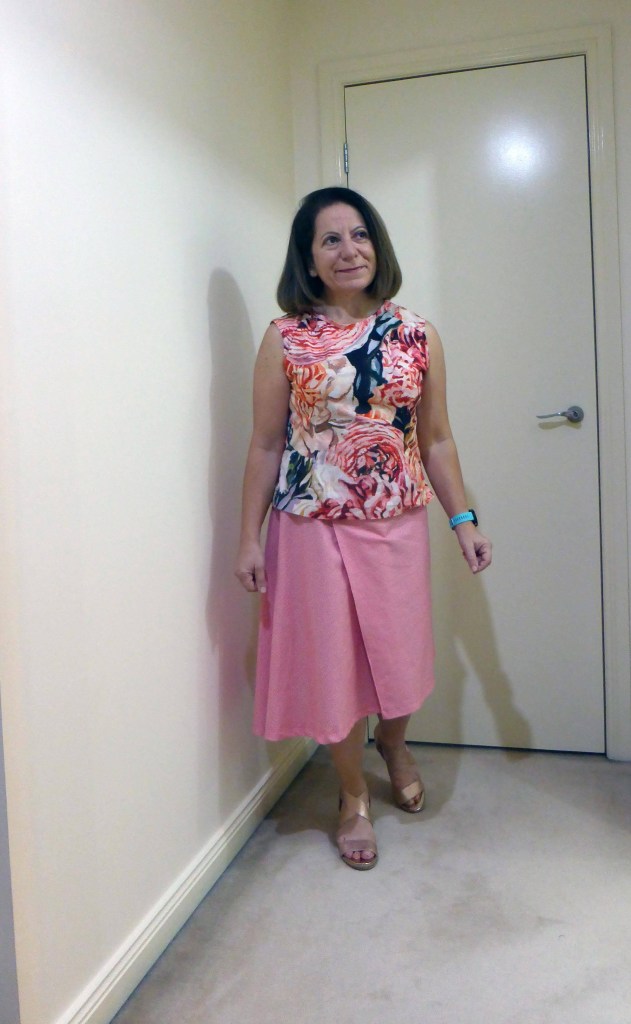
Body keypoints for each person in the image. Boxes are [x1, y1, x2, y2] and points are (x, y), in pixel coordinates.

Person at [235, 186, 491, 871]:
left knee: (398, 653)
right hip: (309, 526)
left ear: (377, 246)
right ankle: (351, 794)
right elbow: (265, 443)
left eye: (359, 235)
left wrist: (463, 519)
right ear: (308, 259)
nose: (348, 250)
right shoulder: (285, 337)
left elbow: (436, 439)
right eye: (330, 239)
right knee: (333, 664)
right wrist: (248, 537)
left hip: (395, 521)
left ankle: (394, 742)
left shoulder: (416, 333)